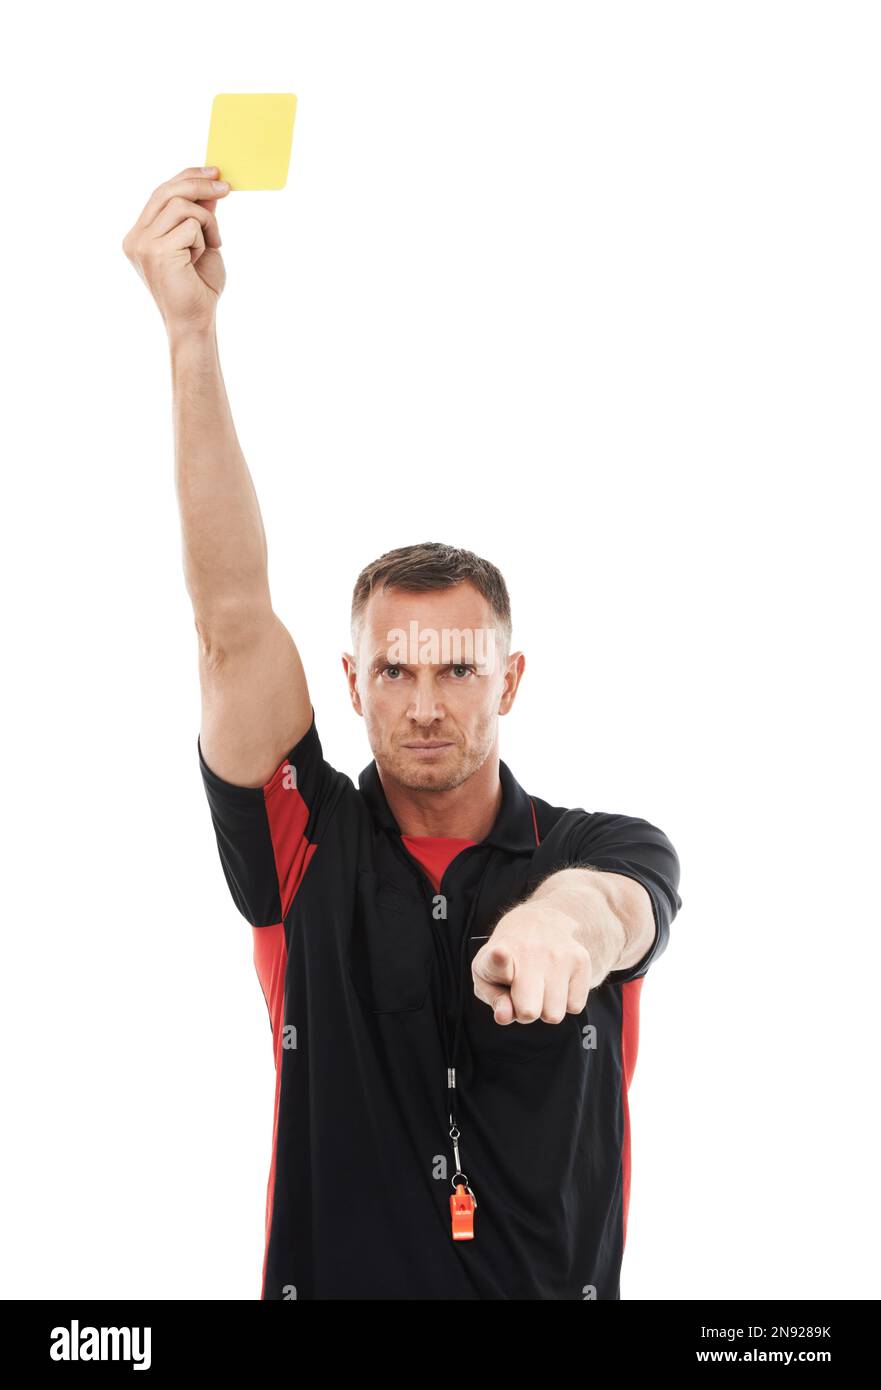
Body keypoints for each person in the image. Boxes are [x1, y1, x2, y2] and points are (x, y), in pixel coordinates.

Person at [122, 167, 682, 1300]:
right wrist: (190, 332)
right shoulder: (301, 845)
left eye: (457, 668)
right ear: (352, 681)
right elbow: (230, 619)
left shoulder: (604, 847)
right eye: (392, 667)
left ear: (509, 679)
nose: (424, 701)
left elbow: (615, 910)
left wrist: (557, 925)